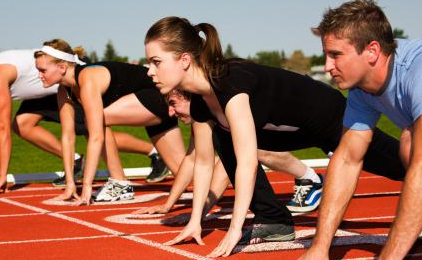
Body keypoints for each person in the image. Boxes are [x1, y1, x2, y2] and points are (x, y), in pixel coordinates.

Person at [144, 16, 407, 257]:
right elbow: (202, 163)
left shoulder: (230, 83)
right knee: (222, 141)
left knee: (399, 164)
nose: (149, 71)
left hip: (325, 116)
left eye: (156, 62)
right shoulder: (201, 104)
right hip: (285, 132)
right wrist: (195, 220)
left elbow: (247, 162)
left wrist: (236, 228)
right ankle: (273, 219)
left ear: (185, 60)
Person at [281, 0, 422, 260]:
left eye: (335, 55)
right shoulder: (361, 92)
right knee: (410, 143)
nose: (328, 66)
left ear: (372, 51)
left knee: (421, 149)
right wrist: (320, 247)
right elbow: (347, 160)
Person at [0, 47, 166, 195]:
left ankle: (153, 152)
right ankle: (76, 161)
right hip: (46, 90)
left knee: (92, 128)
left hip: (67, 79)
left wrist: (2, 177)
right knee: (22, 124)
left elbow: (0, 127)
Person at [34, 39, 186, 205]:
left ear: (62, 67)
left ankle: (119, 182)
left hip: (159, 96)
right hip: (149, 104)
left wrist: (86, 186)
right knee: (185, 172)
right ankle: (219, 166)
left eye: (42, 70)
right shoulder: (63, 91)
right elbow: (68, 136)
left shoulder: (87, 79)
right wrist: (70, 185)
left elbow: (96, 136)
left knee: (96, 119)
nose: (39, 75)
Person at [134, 89, 324, 215]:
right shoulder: (201, 115)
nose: (170, 112)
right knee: (254, 149)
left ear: (190, 98)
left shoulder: (218, 109)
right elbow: (192, 158)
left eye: (173, 103)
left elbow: (226, 168)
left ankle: (310, 178)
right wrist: (169, 204)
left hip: (303, 110)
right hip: (281, 119)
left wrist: (200, 212)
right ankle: (309, 177)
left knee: (256, 150)